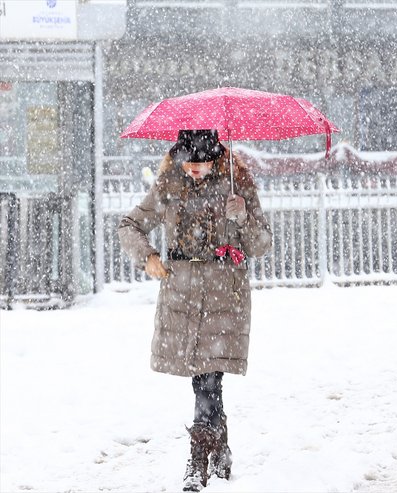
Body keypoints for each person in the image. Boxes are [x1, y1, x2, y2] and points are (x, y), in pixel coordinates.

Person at [118, 129, 272, 491]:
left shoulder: (236, 183)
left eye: (202, 164)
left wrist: (242, 216)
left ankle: (197, 461)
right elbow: (129, 225)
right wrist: (149, 257)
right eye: (189, 163)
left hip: (223, 296)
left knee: (208, 379)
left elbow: (261, 243)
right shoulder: (169, 184)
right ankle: (220, 448)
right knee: (203, 380)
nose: (195, 171)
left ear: (216, 157)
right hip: (182, 298)